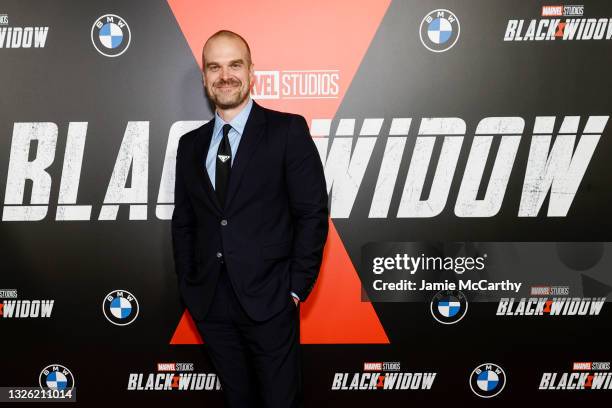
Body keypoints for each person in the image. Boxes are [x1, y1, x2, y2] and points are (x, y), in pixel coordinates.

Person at [171, 30, 329, 407]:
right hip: (211, 304)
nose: (225, 75)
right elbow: (185, 222)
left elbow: (312, 213)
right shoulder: (189, 145)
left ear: (251, 71)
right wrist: (191, 287)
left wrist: (293, 290)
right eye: (215, 67)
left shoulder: (287, 130)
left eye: (234, 65)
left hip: (270, 301)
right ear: (205, 78)